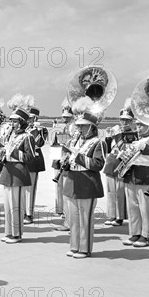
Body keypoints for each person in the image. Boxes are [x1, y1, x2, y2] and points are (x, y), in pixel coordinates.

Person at [61, 101, 107, 258]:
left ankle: (85, 248)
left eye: (83, 126)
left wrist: (77, 157)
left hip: (87, 183)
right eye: (78, 125)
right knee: (73, 218)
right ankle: (74, 246)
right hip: (73, 181)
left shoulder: (98, 142)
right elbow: (71, 161)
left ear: (92, 127)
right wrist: (64, 162)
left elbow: (98, 164)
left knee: (85, 219)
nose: (79, 128)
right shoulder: (75, 141)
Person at [120, 122, 149, 248]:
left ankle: (146, 235)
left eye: (141, 125)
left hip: (145, 178)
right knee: (132, 208)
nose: (138, 128)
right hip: (131, 177)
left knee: (145, 209)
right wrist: (123, 156)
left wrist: (146, 147)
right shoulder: (136, 141)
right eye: (137, 125)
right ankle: (135, 232)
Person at [0, 106, 35, 244]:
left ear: (21, 122)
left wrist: (13, 152)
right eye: (11, 121)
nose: (12, 124)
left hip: (19, 173)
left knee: (16, 205)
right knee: (7, 205)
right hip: (8, 171)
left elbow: (30, 157)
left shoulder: (28, 137)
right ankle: (8, 231)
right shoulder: (10, 135)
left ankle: (17, 233)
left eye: (14, 121)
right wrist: (2, 155)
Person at [23, 107, 48, 224]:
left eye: (30, 118)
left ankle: (29, 213)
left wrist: (36, 130)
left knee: (30, 188)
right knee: (22, 188)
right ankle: (22, 211)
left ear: (35, 118)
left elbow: (39, 143)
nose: (28, 120)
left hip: (34, 160)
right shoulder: (22, 129)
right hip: (22, 160)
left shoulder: (41, 130)